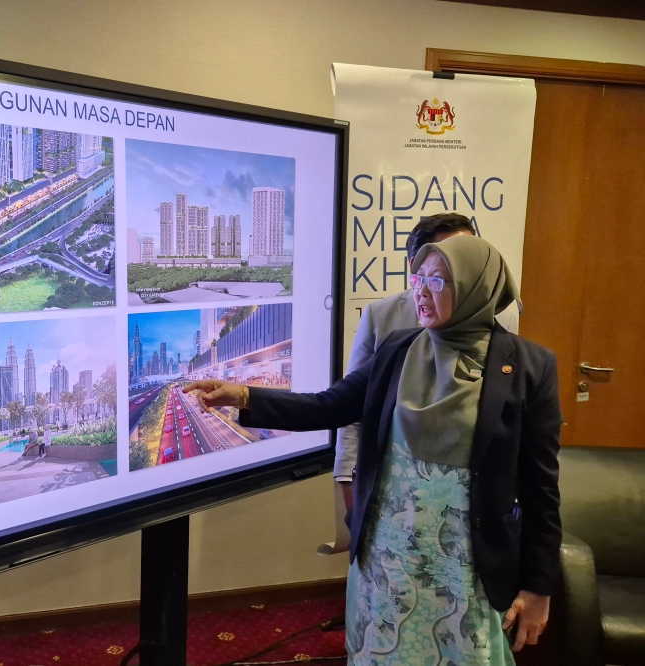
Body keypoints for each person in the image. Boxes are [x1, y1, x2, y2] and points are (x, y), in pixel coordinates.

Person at [186, 235, 561, 663]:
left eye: (438, 282)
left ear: (478, 287)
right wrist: (244, 396)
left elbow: (541, 489)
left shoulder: (530, 368)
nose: (419, 290)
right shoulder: (399, 349)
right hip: (387, 555)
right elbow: (331, 405)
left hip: (464, 566)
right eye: (418, 277)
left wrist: (538, 587)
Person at [336, 213, 520, 513]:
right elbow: (350, 407)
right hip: (396, 483)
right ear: (418, 265)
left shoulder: (504, 320)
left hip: (470, 492)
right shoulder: (384, 320)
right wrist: (347, 478)